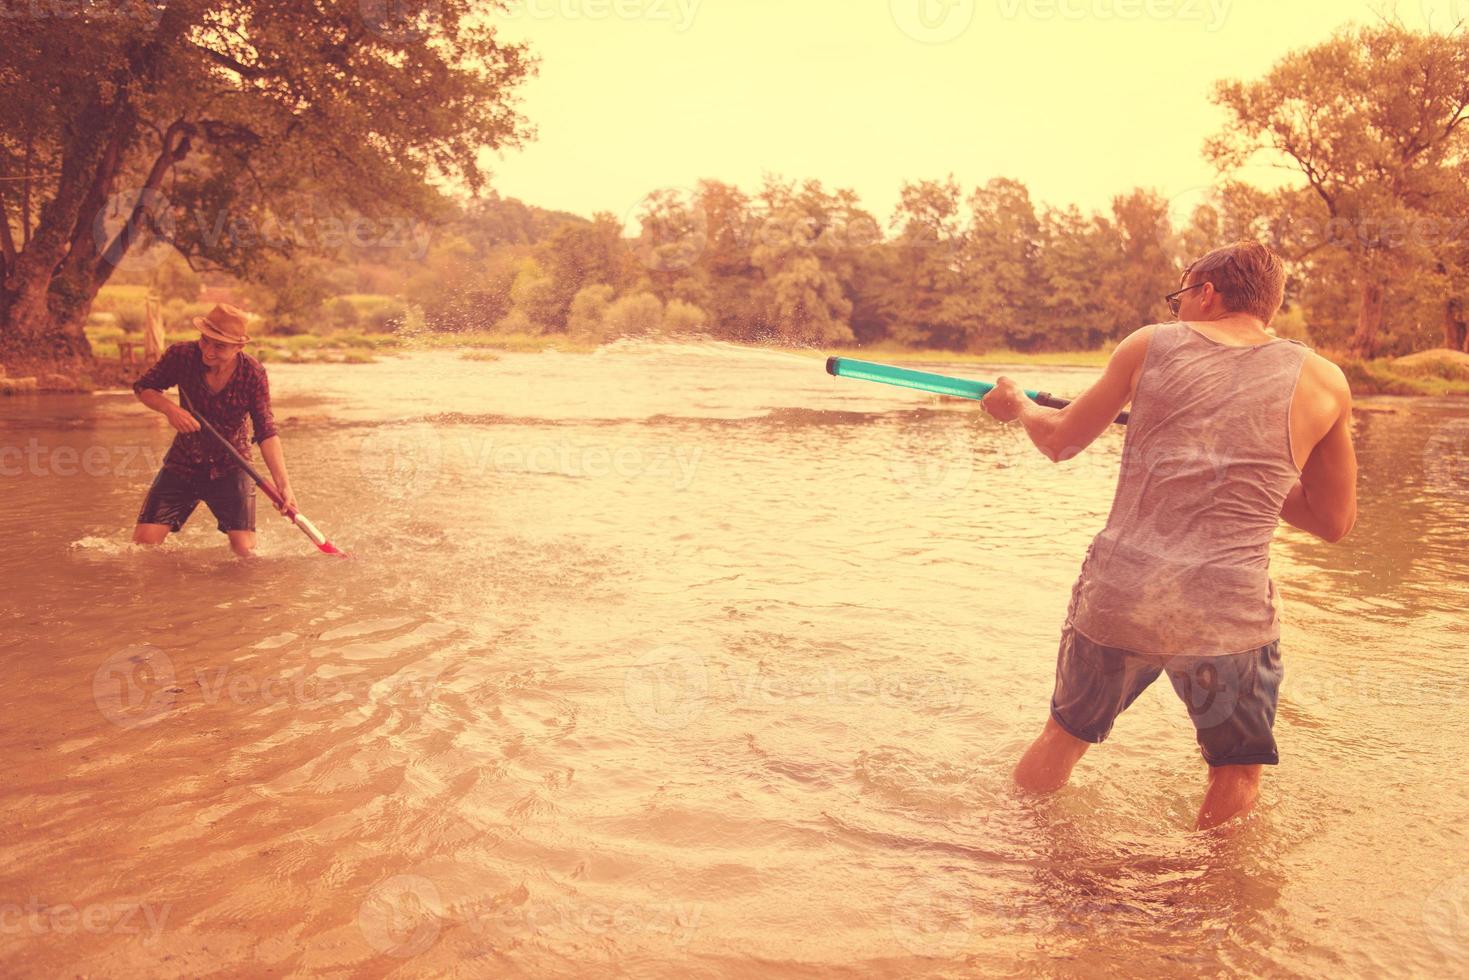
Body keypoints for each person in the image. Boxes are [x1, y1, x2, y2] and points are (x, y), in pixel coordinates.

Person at [979, 241, 1358, 831]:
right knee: (1236, 771)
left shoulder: (1149, 344)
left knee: (1064, 736)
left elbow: (1060, 440)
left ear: (1206, 293)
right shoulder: (1326, 381)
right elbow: (1333, 522)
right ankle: (1217, 905)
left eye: (1180, 297)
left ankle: (1014, 859)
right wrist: (1250, 467)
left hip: (1122, 595)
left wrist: (1019, 405)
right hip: (1227, 612)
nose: (1176, 309)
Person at [131, 303, 298, 558]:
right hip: (183, 462)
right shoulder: (181, 356)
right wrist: (170, 410)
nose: (208, 351)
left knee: (245, 554)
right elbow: (144, 387)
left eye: (219, 346)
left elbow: (266, 431)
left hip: (232, 466)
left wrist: (283, 485)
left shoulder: (253, 374)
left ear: (239, 346)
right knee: (142, 548)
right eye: (205, 341)